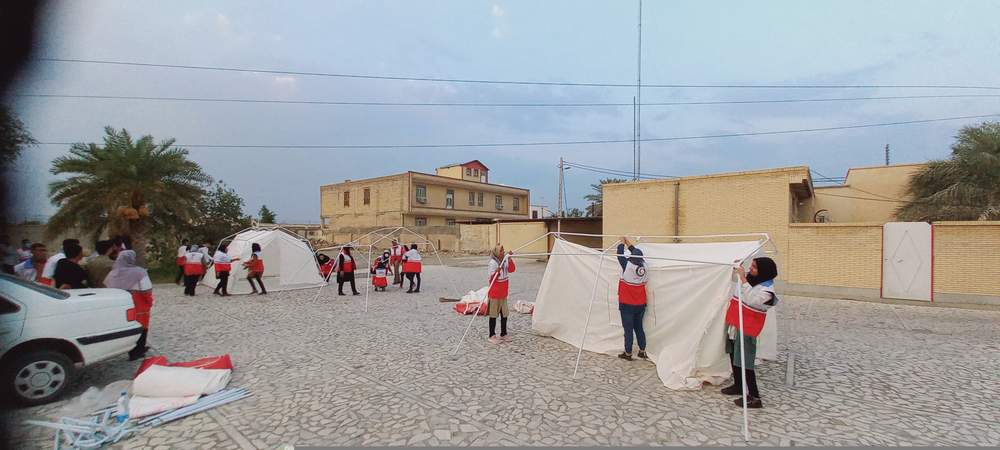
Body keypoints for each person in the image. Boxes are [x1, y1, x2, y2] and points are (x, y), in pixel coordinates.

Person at [722, 257, 779, 409]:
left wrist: (742, 278)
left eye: (754, 267)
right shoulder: (752, 280)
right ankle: (739, 385)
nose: (750, 269)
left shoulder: (767, 291)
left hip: (748, 327)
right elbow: (736, 281)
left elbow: (753, 299)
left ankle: (754, 397)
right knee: (734, 352)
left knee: (745, 360)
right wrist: (737, 267)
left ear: (763, 271)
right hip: (737, 322)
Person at [104, 249, 154, 361]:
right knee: (141, 327)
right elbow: (146, 289)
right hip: (138, 304)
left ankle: (127, 348)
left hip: (120, 304)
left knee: (127, 327)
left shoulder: (113, 273)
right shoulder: (140, 272)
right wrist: (149, 301)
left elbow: (108, 288)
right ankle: (138, 351)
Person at [616, 236, 649, 361]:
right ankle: (642, 351)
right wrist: (628, 242)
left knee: (628, 329)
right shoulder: (644, 266)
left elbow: (620, 254)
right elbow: (636, 252)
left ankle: (628, 353)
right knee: (639, 327)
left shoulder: (627, 266)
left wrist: (621, 243)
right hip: (640, 303)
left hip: (627, 304)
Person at [486, 244, 515, 344]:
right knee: (493, 315)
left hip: (503, 293)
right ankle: (491, 335)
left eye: (503, 250)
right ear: (497, 253)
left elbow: (511, 270)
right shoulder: (493, 263)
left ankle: (503, 333)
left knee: (504, 314)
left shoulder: (505, 260)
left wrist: (510, 260)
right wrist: (497, 272)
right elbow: (491, 279)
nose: (503, 252)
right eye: (501, 251)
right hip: (495, 293)